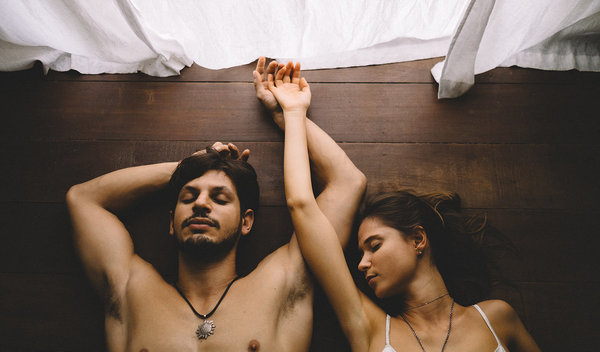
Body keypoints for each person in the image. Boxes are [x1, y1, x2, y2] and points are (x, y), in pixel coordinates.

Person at [65, 57, 366, 351]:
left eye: (219, 198)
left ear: (246, 221)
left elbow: (347, 182)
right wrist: (187, 167)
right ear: (171, 222)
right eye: (188, 196)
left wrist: (286, 116)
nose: (200, 203)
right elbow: (83, 199)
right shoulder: (131, 290)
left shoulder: (282, 284)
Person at [269, 62, 541, 352]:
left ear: (418, 239)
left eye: (374, 245)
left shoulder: (496, 319)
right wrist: (292, 113)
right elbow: (302, 206)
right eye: (362, 253)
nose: (361, 264)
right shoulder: (368, 328)